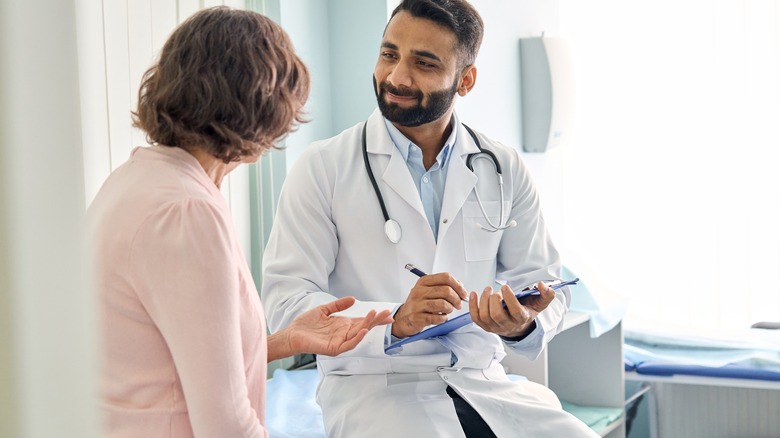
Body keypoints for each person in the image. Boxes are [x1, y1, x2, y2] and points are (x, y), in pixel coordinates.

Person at [261, 0, 602, 437]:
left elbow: (544, 283)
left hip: (481, 382)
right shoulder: (323, 168)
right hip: (376, 389)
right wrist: (395, 318)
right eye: (389, 54)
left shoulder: (502, 167)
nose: (397, 77)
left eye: (423, 63)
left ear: (466, 80)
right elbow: (286, 305)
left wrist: (522, 323)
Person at [86, 7, 392, 438]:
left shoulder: (135, 179)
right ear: (261, 107)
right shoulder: (186, 212)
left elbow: (174, 365)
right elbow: (226, 425)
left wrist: (288, 340)